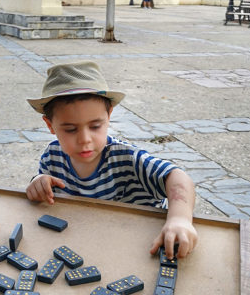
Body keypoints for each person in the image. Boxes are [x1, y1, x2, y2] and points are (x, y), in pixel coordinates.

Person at [25, 60, 197, 259]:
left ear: (109, 116)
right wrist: (37, 183)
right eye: (70, 129)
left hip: (139, 247)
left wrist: (180, 219)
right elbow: (44, 191)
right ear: (50, 125)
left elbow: (177, 177)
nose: (84, 139)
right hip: (86, 244)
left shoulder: (127, 158)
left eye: (95, 126)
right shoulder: (52, 156)